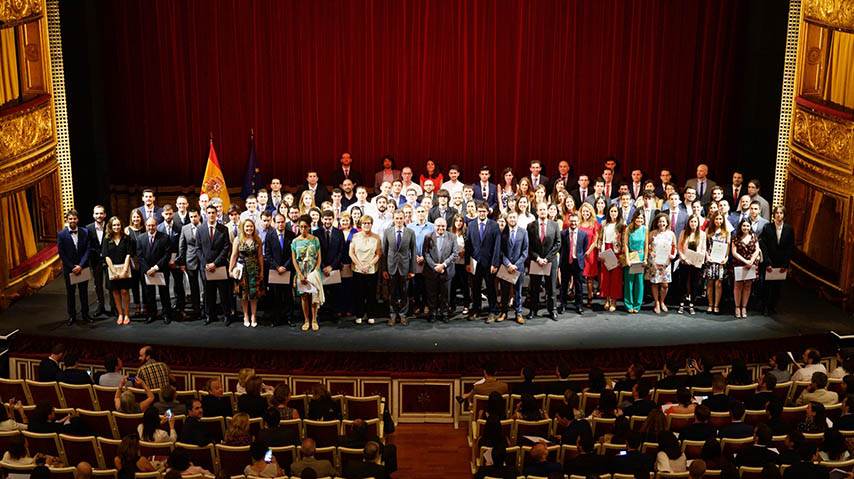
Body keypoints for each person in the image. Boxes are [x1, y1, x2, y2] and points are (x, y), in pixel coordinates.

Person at [466, 201, 502, 323]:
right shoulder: (471, 226)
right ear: (477, 212)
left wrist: (495, 263)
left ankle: (492, 311)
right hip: (475, 262)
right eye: (480, 211)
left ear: (487, 212)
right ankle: (476, 309)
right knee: (475, 288)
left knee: (491, 287)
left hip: (489, 263)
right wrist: (467, 263)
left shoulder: (494, 225)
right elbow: (468, 246)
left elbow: (497, 246)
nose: (481, 213)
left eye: (484, 211)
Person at [196, 205, 232, 325]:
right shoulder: (200, 229)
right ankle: (209, 316)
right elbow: (198, 248)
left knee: (223, 293)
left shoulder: (223, 229)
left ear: (217, 214)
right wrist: (206, 264)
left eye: (213, 212)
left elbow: (226, 247)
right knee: (208, 293)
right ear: (205, 214)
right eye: (209, 212)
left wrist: (215, 263)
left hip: (220, 266)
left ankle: (226, 315)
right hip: (206, 268)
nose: (211, 215)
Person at [526, 202, 561, 320]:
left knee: (551, 288)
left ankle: (553, 310)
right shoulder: (530, 226)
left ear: (547, 211)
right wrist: (537, 258)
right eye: (540, 210)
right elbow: (529, 245)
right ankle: (533, 310)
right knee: (534, 288)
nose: (542, 211)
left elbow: (558, 243)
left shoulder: (555, 225)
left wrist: (547, 258)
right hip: (536, 261)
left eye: (544, 209)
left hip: (550, 261)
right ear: (537, 212)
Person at [382, 210, 416, 326]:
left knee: (404, 292)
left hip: (405, 267)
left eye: (401, 218)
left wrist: (412, 270)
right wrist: (384, 269)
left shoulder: (410, 232)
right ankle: (392, 314)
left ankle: (403, 315)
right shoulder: (387, 232)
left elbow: (413, 251)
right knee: (391, 292)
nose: (399, 220)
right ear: (393, 219)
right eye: (397, 218)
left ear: (404, 218)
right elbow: (384, 252)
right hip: (391, 267)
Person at [58, 209, 93, 325]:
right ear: (67, 220)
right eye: (70, 219)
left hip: (82, 267)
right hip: (69, 269)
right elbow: (61, 253)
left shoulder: (85, 232)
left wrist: (81, 265)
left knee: (84, 293)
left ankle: (85, 314)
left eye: (74, 218)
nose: (72, 221)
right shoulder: (61, 234)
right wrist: (72, 267)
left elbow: (88, 250)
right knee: (70, 293)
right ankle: (72, 316)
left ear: (77, 219)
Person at [228, 219, 265, 328]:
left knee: (254, 294)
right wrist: (230, 270)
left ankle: (253, 315)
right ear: (243, 228)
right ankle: (246, 316)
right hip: (242, 270)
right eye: (247, 227)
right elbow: (234, 255)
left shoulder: (258, 240)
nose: (249, 228)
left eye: (251, 226)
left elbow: (260, 257)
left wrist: (262, 271)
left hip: (254, 269)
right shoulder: (238, 239)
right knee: (243, 295)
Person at [137, 217, 172, 324]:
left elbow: (167, 255)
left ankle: (166, 314)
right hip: (147, 272)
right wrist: (148, 269)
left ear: (156, 225)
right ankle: (151, 314)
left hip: (161, 270)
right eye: (148, 225)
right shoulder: (140, 238)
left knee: (164, 293)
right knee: (149, 294)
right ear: (145, 226)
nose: (151, 227)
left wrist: (155, 268)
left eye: (153, 225)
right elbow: (139, 256)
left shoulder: (164, 237)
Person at [760, 205, 795, 315]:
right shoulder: (767, 227)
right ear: (773, 215)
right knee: (766, 286)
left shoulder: (789, 229)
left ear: (784, 215)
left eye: (781, 213)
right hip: (769, 261)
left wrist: (785, 264)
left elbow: (790, 248)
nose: (779, 215)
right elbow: (763, 246)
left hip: (781, 263)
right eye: (777, 213)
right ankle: (765, 307)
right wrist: (767, 262)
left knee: (777, 287)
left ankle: (772, 307)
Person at [423, 217, 458, 323]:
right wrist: (435, 266)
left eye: (443, 226)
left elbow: (455, 254)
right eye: (438, 226)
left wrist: (443, 265)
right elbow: (426, 253)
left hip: (446, 271)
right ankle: (432, 313)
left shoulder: (452, 237)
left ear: (446, 226)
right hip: (431, 271)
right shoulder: (428, 236)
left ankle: (444, 313)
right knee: (431, 294)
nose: (440, 228)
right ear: (434, 226)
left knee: (445, 294)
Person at [291, 214, 324, 331]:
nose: (303, 229)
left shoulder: (315, 240)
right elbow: (294, 259)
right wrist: (299, 274)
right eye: (301, 227)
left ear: (309, 227)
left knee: (314, 295)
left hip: (313, 271)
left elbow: (319, 257)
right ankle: (306, 320)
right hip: (301, 271)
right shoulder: (295, 241)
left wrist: (315, 271)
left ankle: (314, 319)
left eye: (305, 227)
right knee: (304, 296)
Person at [350, 215, 383, 325]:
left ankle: (370, 315)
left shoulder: (376, 238)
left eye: (368, 223)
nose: (366, 225)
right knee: (359, 293)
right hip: (358, 269)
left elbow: (379, 254)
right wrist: (360, 265)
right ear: (361, 224)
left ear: (371, 224)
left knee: (371, 294)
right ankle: (359, 315)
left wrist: (368, 265)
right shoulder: (355, 236)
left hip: (371, 269)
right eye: (364, 223)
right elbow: (351, 253)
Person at [496, 211, 527, 324]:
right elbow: (501, 251)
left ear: (517, 218)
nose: (512, 219)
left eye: (514, 217)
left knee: (518, 291)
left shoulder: (524, 232)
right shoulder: (502, 233)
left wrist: (516, 265)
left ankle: (518, 313)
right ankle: (504, 312)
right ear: (507, 219)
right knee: (504, 291)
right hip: (506, 266)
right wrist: (508, 264)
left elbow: (525, 251)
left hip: (518, 267)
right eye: (510, 217)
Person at [264, 213, 295, 327]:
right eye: (278, 222)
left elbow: (293, 254)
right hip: (275, 270)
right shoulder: (269, 236)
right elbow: (267, 254)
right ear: (274, 223)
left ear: (285, 222)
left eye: (282, 222)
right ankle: (276, 318)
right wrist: (277, 267)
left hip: (287, 270)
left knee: (288, 295)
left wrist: (285, 267)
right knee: (275, 295)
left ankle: (289, 318)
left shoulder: (292, 235)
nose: (280, 224)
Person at [156, 205, 186, 320]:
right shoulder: (158, 228)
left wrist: (177, 260)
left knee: (179, 285)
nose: (168, 216)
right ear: (162, 214)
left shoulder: (180, 227)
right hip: (163, 262)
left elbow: (182, 246)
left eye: (170, 214)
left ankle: (181, 308)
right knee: (164, 287)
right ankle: (166, 311)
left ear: (173, 214)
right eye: (166, 214)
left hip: (176, 261)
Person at [646, 213, 677, 314]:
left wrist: (673, 255)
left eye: (663, 221)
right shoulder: (652, 233)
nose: (661, 223)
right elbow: (647, 246)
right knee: (655, 283)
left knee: (665, 284)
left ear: (667, 222)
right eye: (659, 221)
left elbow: (675, 247)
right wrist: (651, 253)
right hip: (654, 262)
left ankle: (662, 301)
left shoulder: (671, 234)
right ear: (657, 222)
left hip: (666, 263)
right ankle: (656, 303)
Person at [175, 208, 202, 320]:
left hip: (204, 260)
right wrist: (182, 263)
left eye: (195, 216)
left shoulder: (204, 227)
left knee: (207, 286)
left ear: (199, 216)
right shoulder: (185, 228)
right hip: (190, 260)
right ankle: (196, 309)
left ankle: (208, 308)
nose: (193, 218)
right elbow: (181, 247)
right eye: (191, 217)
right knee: (193, 286)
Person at [731, 218, 760, 318]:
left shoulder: (754, 236)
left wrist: (751, 260)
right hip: (739, 263)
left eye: (748, 225)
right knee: (738, 286)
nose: (746, 227)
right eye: (744, 226)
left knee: (748, 286)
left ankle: (744, 307)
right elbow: (734, 252)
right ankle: (737, 307)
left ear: (750, 226)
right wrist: (745, 261)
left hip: (751, 264)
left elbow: (757, 250)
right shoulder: (736, 237)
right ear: (741, 226)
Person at [559, 212, 588, 314]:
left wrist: (578, 257)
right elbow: (560, 248)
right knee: (564, 285)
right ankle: (563, 304)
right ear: (568, 221)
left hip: (577, 262)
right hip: (566, 262)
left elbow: (584, 248)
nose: (573, 223)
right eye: (571, 221)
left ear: (578, 222)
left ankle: (579, 305)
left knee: (578, 285)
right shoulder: (562, 234)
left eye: (575, 221)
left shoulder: (583, 234)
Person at [86, 205, 112, 318]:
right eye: (96, 213)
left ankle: (113, 306)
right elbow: (87, 245)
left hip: (110, 260)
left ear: (105, 214)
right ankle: (101, 306)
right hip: (96, 261)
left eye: (101, 213)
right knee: (98, 284)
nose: (99, 216)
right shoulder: (88, 228)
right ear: (93, 215)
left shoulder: (110, 226)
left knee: (111, 283)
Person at [598, 204, 624, 312]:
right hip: (606, 250)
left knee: (616, 278)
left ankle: (614, 301)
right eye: (611, 211)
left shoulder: (622, 225)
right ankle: (607, 300)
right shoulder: (604, 224)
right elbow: (599, 239)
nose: (613, 213)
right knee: (606, 277)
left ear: (618, 213)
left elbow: (623, 241)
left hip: (616, 251)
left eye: (615, 211)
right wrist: (600, 252)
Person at [677, 214, 706, 314]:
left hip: (696, 263)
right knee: (683, 283)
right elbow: (679, 247)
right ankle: (681, 303)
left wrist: (697, 259)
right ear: (688, 223)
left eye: (695, 221)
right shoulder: (683, 233)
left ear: (698, 223)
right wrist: (684, 258)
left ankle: (691, 304)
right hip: (685, 261)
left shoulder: (702, 234)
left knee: (694, 284)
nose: (693, 223)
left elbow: (703, 249)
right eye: (691, 221)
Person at [704, 212, 730, 314]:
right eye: (716, 219)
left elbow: (728, 246)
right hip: (710, 259)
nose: (718, 221)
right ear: (713, 220)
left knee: (718, 284)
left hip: (721, 261)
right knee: (710, 282)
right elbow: (705, 246)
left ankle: (716, 305)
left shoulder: (727, 232)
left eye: (720, 219)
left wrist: (726, 258)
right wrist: (707, 256)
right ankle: (710, 305)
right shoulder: (708, 231)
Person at [622, 210, 647, 313]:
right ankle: (629, 304)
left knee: (639, 282)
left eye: (641, 218)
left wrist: (645, 258)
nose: (639, 220)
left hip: (641, 256)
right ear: (634, 218)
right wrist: (627, 258)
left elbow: (646, 245)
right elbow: (626, 245)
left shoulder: (645, 229)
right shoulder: (628, 229)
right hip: (631, 256)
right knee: (629, 281)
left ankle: (637, 305)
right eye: (638, 218)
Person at [577, 203, 601, 308]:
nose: (585, 213)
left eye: (587, 211)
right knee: (578, 277)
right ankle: (579, 297)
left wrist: (588, 251)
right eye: (583, 211)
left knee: (590, 278)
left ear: (591, 212)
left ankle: (590, 297)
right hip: (579, 253)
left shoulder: (595, 224)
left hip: (590, 254)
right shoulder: (578, 223)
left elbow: (595, 241)